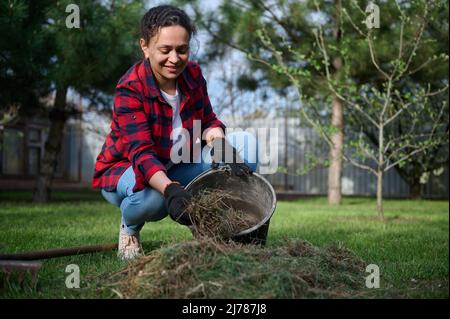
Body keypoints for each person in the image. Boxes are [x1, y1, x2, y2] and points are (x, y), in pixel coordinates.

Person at [92, 5, 258, 260]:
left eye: (182, 50)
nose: (174, 58)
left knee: (246, 145)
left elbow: (208, 121)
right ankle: (129, 227)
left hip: (175, 161)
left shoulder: (192, 74)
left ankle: (208, 222)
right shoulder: (130, 89)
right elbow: (142, 155)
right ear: (145, 46)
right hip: (126, 169)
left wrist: (222, 146)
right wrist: (171, 191)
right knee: (155, 202)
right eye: (165, 50)